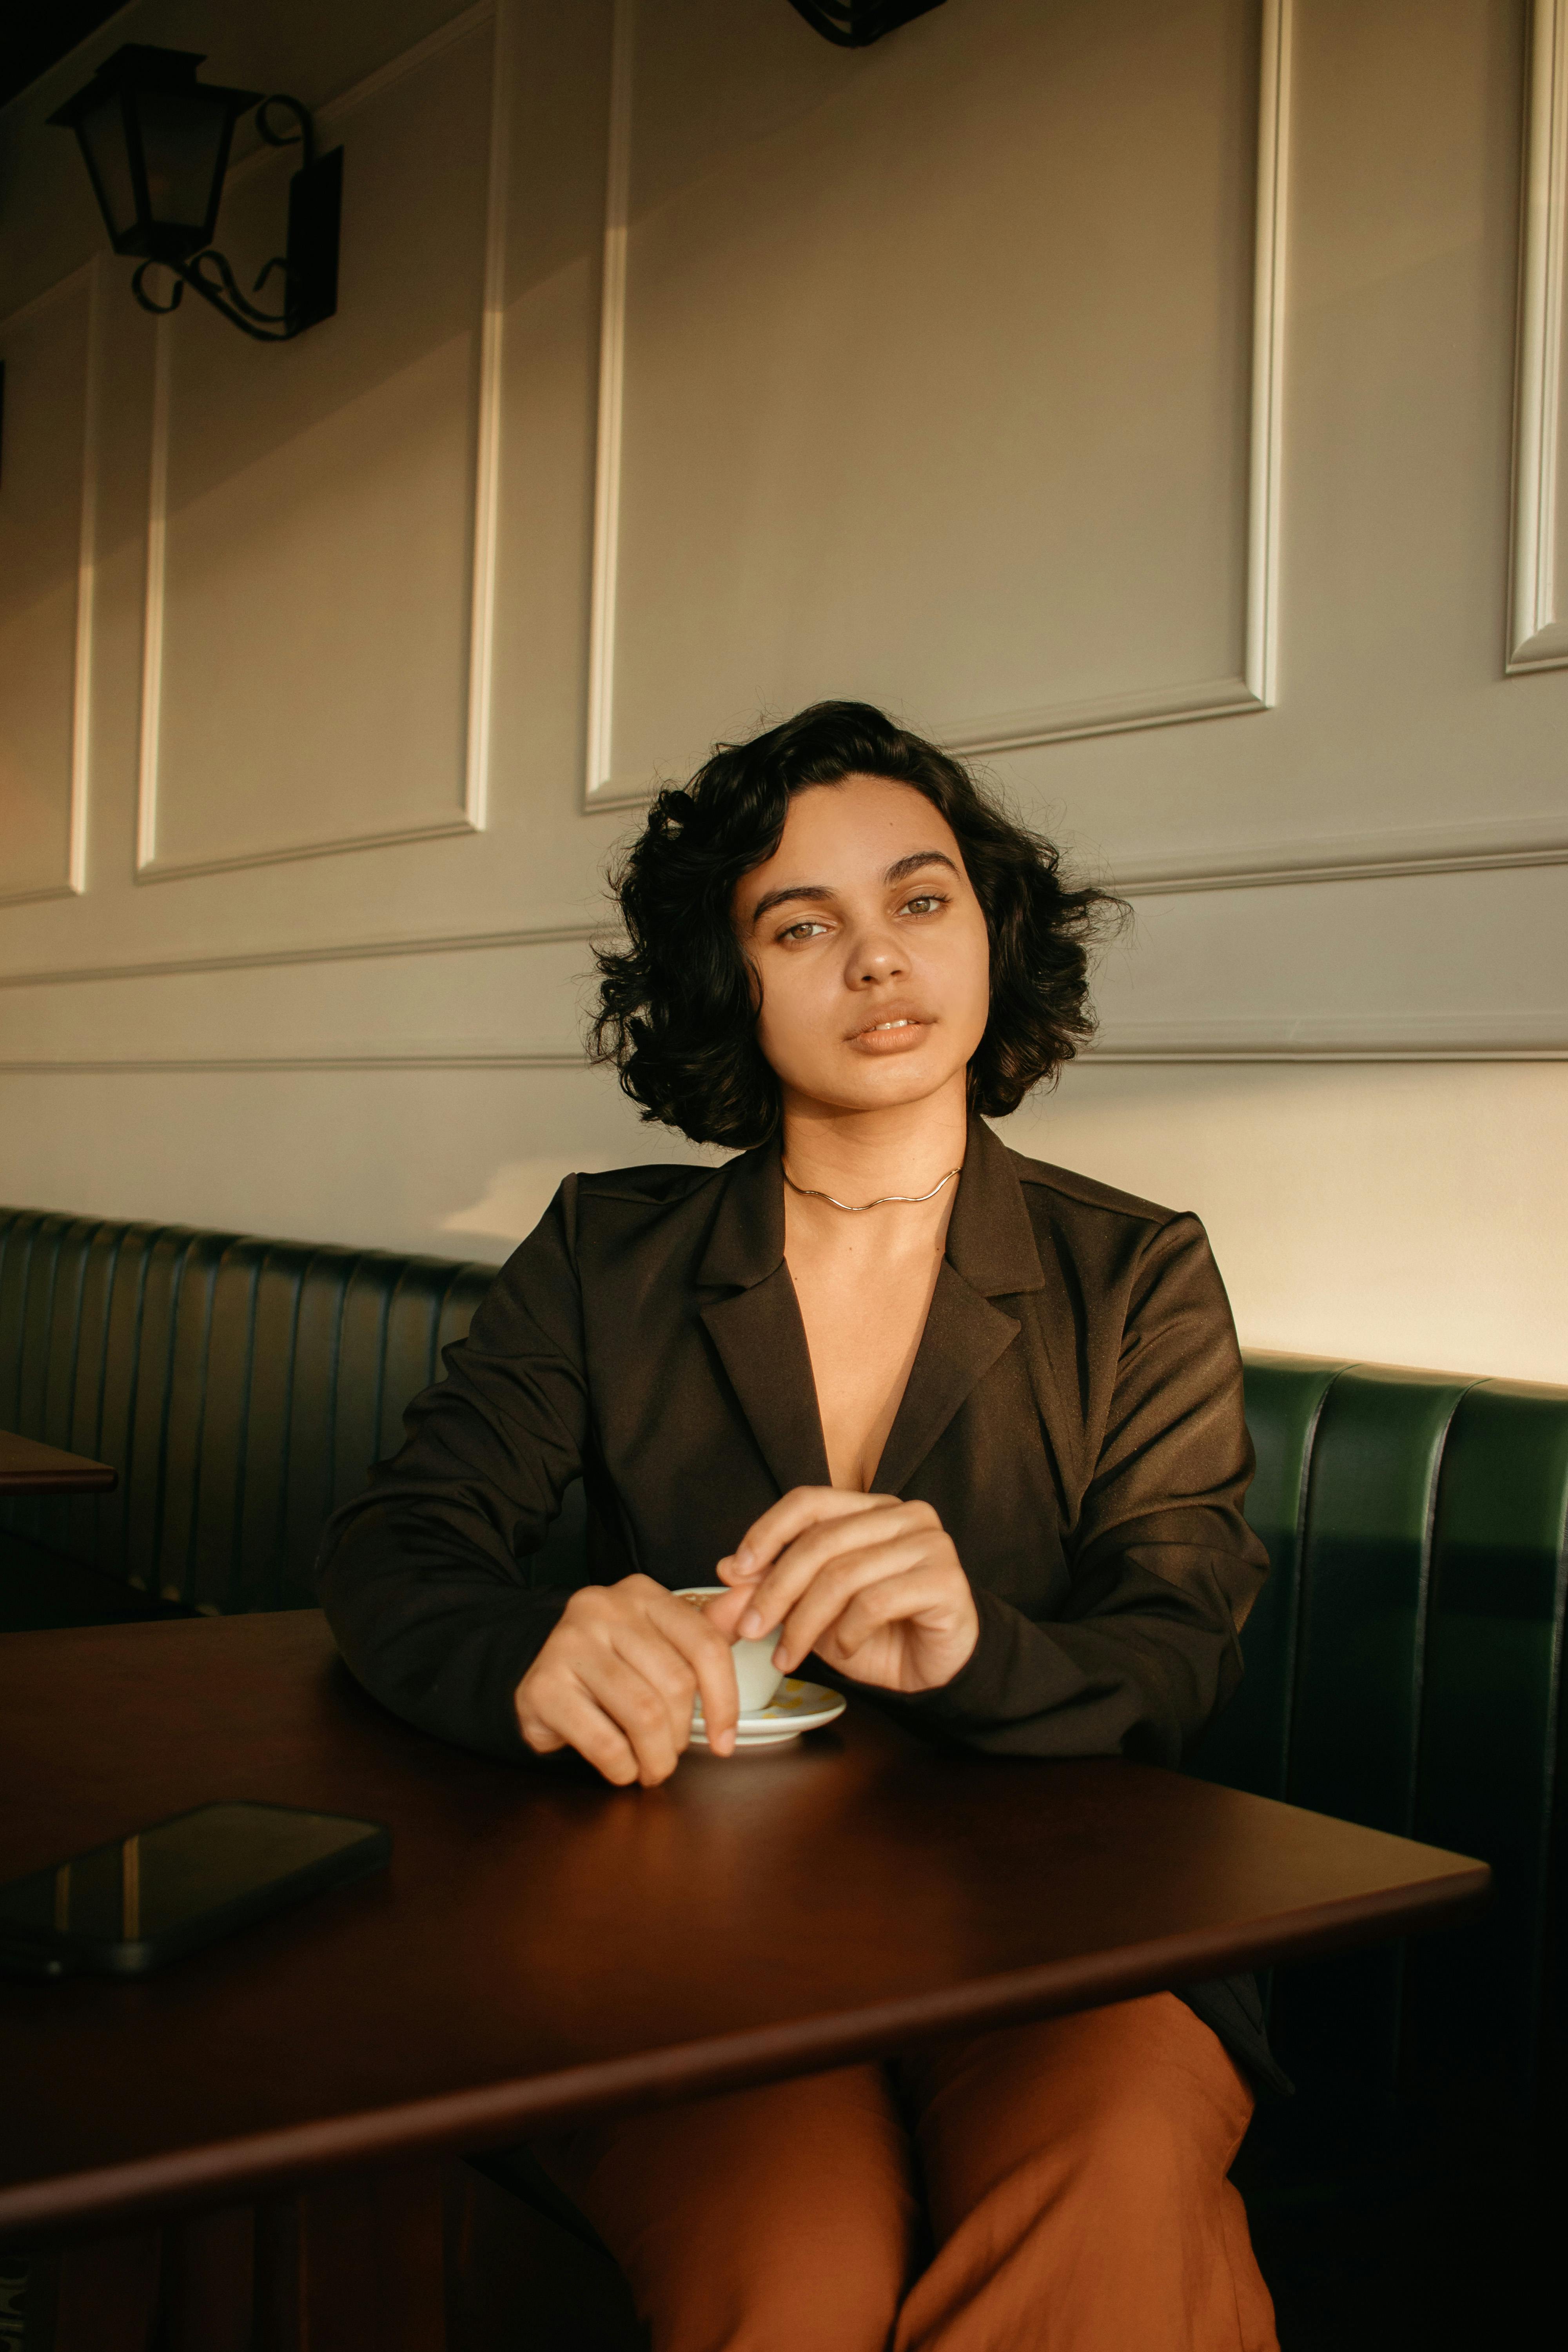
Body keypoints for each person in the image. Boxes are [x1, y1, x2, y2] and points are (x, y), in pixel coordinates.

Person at [319, 701, 1281, 2352]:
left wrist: (978, 1647)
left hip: (1061, 1925)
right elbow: (399, 1544)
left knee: (1119, 2180)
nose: (877, 961)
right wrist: (529, 1655)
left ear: (991, 929)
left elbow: (1178, 1645)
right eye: (799, 924)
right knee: (793, 2260)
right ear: (728, 981)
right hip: (694, 1930)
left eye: (919, 901)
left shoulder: (1139, 1272)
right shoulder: (601, 1255)